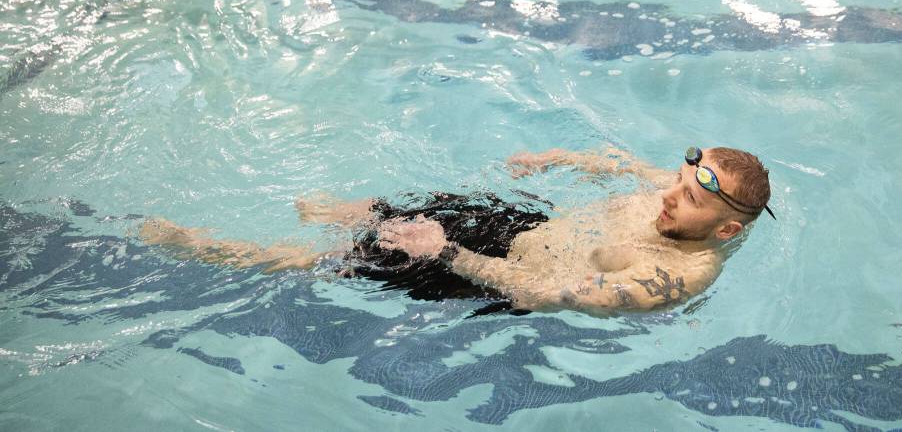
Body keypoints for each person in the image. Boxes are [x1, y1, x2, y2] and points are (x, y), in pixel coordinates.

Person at [140, 146, 774, 314]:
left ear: (723, 231)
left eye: (687, 200)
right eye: (678, 182)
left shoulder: (684, 274)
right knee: (399, 207)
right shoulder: (682, 197)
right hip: (527, 227)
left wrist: (448, 254)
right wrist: (560, 159)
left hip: (497, 276)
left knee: (340, 259)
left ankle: (226, 253)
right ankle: (349, 210)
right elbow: (624, 165)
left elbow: (552, 296)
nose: (667, 196)